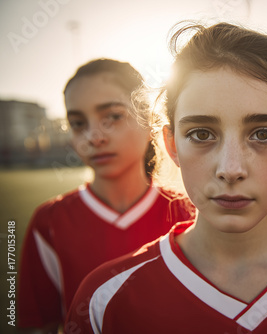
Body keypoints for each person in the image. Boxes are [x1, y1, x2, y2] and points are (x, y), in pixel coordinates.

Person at [64, 22, 267, 334]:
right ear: (171, 144)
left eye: (263, 134)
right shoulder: (103, 300)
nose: (231, 168)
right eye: (201, 134)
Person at [18, 59, 195, 333]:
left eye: (112, 116)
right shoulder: (49, 221)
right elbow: (38, 324)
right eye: (78, 123)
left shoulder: (190, 212)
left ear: (149, 120)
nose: (93, 136)